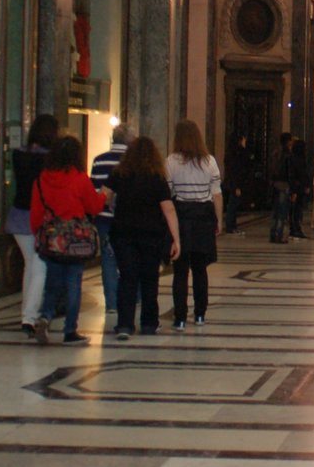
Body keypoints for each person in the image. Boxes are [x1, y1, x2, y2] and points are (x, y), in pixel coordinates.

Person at [28, 135, 105, 345]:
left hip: (53, 240)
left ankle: (45, 316)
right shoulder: (79, 179)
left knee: (52, 284)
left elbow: (35, 214)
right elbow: (94, 207)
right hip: (75, 241)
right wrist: (105, 195)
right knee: (73, 285)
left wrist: (40, 235)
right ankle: (70, 330)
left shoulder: (42, 180)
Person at [101, 136, 180, 339]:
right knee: (149, 278)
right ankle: (148, 323)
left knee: (127, 278)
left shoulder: (120, 173)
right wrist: (176, 238)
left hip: (123, 233)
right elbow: (168, 209)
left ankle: (125, 325)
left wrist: (110, 205)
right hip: (151, 234)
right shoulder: (156, 177)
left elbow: (104, 194)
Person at [166, 119, 221, 329]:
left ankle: (180, 317)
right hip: (203, 217)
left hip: (181, 216)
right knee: (200, 269)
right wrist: (219, 220)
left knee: (180, 270)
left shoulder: (171, 162)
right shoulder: (209, 162)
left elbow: (169, 194)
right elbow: (216, 195)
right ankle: (200, 314)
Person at [8, 114, 58, 338]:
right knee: (40, 267)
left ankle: (26, 314)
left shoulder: (18, 154)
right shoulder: (49, 159)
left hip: (18, 215)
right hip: (38, 217)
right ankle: (29, 317)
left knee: (30, 265)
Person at [87, 124, 131, 323]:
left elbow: (96, 191)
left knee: (108, 259)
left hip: (104, 218)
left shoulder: (99, 160)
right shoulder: (133, 162)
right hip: (127, 219)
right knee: (131, 259)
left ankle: (112, 304)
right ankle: (133, 298)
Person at [221, 132, 252, 234]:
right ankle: (231, 226)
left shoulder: (233, 153)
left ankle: (232, 226)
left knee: (234, 204)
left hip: (234, 182)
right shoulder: (236, 154)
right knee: (232, 205)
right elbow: (235, 171)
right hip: (235, 183)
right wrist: (236, 186)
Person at [268, 132, 295, 244]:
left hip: (275, 185)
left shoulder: (275, 153)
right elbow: (290, 173)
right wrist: (293, 189)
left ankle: (273, 234)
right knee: (282, 212)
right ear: (288, 141)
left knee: (275, 211)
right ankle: (279, 235)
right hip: (284, 185)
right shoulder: (287, 155)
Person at [287, 136, 310, 239]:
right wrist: (294, 191)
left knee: (298, 209)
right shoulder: (294, 159)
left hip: (299, 188)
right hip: (296, 188)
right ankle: (294, 228)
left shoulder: (299, 158)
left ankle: (296, 228)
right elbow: (294, 175)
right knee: (295, 210)